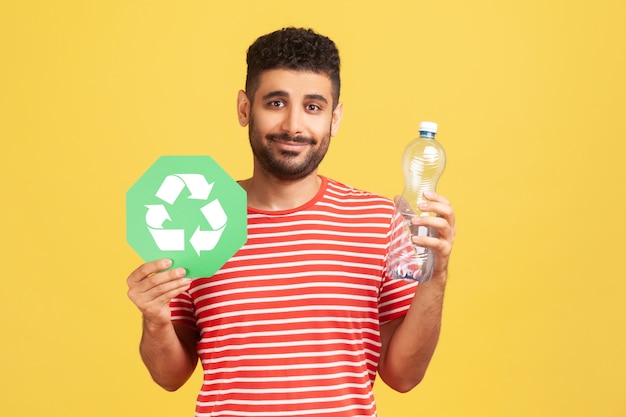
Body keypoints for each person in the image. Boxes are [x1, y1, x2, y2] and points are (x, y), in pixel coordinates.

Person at [127, 27, 456, 417]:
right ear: (245, 108)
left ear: (335, 118)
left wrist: (435, 277)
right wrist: (154, 319)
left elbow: (404, 375)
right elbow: (169, 376)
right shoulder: (195, 216)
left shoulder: (377, 220)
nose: (294, 126)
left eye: (313, 107)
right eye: (276, 103)